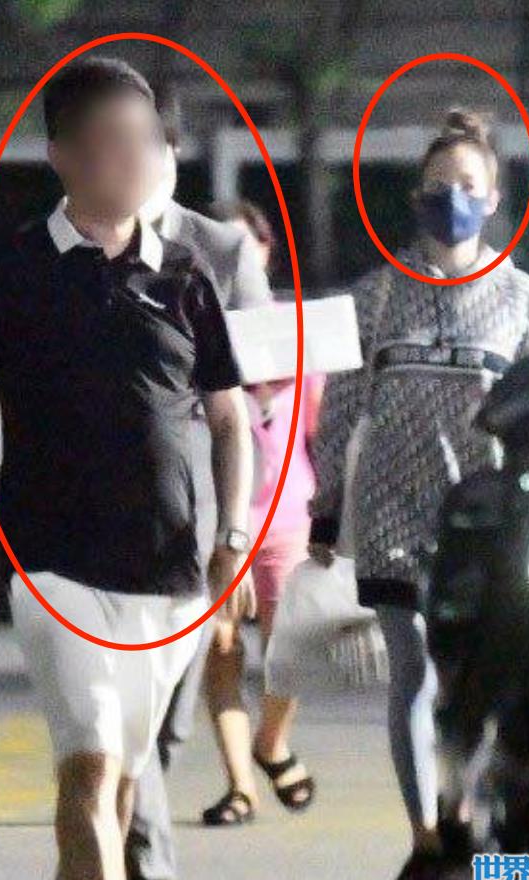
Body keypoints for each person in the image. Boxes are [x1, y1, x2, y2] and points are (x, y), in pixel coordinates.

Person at [0, 57, 255, 880]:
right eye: (109, 141)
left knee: (120, 790)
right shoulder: (9, 269)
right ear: (61, 154)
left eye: (144, 141)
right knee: (89, 773)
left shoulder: (186, 275)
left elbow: (229, 420)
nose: (132, 158)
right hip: (53, 568)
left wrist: (233, 536)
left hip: (168, 578)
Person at [307, 109, 529, 880]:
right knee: (413, 675)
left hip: (485, 521)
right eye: (437, 185)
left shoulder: (519, 297)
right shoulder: (378, 296)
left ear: (493, 200)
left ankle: (462, 818)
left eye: (467, 186)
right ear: (417, 196)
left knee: (473, 682)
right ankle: (425, 837)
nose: (451, 198)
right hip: (392, 512)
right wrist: (325, 508)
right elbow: (339, 409)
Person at [125, 89, 272, 880]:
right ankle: (146, 875)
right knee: (129, 711)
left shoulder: (220, 248)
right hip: (107, 512)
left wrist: (239, 533)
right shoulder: (75, 243)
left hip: (204, 513)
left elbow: (258, 388)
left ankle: (122, 843)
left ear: (172, 154)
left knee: (168, 717)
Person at [198, 199, 323, 826]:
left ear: (267, 252)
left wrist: (332, 516)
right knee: (221, 649)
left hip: (288, 513)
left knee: (289, 649)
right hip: (219, 517)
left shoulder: (298, 331)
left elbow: (322, 431)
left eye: (241, 249)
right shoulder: (190, 329)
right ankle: (240, 786)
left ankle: (270, 743)